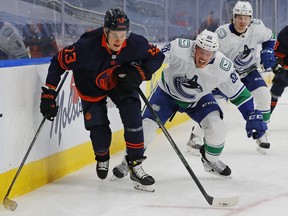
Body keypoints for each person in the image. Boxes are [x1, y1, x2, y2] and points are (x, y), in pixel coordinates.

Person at [112, 29, 267, 179]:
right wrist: (138, 69)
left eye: (209, 53)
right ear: (195, 47)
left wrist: (251, 114)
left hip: (198, 99)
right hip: (166, 93)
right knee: (146, 128)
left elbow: (240, 94)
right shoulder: (179, 47)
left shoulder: (223, 67)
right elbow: (156, 58)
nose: (204, 57)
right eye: (201, 51)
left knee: (217, 128)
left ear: (215, 53)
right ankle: (129, 162)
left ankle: (210, 160)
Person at [39, 8, 165, 192]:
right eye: (114, 34)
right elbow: (58, 61)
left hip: (121, 82)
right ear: (105, 31)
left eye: (123, 34)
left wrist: (140, 73)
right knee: (100, 135)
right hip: (91, 85)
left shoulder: (135, 43)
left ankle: (135, 165)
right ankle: (102, 156)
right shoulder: (85, 48)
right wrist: (49, 93)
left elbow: (157, 56)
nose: (119, 40)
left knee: (133, 117)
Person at [186, 1, 275, 155]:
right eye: (239, 17)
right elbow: (209, 55)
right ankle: (195, 137)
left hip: (249, 71)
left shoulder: (257, 27)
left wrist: (267, 50)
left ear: (251, 18)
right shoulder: (222, 34)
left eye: (246, 17)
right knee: (214, 107)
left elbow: (270, 37)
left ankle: (262, 132)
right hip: (226, 76)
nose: (243, 21)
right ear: (233, 17)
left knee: (264, 95)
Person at [270, 25, 288, 113]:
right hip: (286, 68)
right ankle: (266, 116)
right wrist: (277, 62)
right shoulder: (285, 33)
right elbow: (278, 53)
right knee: (276, 90)